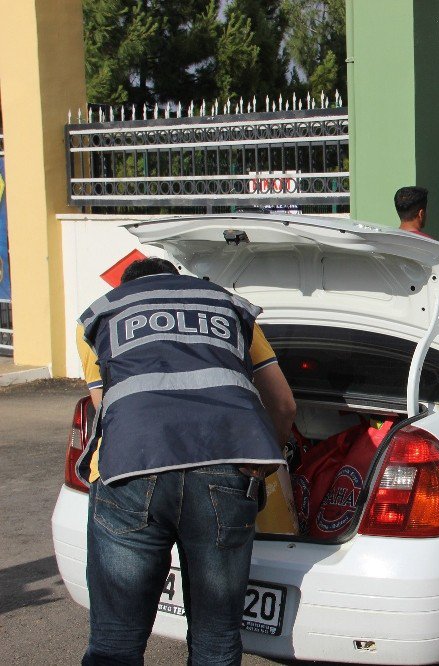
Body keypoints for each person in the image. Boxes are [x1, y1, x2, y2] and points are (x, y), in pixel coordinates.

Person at [76, 257, 296, 665]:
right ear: (179, 281)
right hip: (225, 469)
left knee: (115, 639)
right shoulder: (227, 307)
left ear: (130, 286)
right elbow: (283, 405)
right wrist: (266, 460)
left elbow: (106, 409)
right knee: (216, 637)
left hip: (132, 472)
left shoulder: (105, 312)